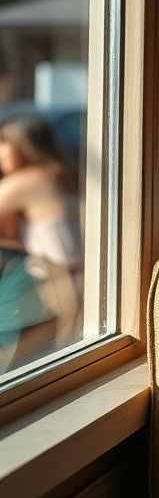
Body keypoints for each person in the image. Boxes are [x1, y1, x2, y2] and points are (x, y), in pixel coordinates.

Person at [0, 113, 82, 356]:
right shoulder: (61, 174)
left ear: (23, 145)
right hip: (72, 281)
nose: (0, 152)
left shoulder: (28, 181)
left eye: (4, 142)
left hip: (48, 283)